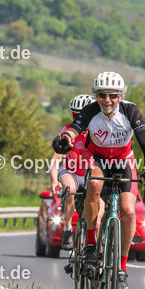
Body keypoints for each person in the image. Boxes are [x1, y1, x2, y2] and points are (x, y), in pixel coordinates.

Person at [53, 71, 145, 289]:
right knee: (95, 185)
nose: (107, 100)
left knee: (128, 212)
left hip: (124, 161)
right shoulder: (90, 110)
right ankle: (90, 242)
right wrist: (66, 139)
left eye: (113, 95)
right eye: (102, 95)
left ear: (121, 95)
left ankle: (122, 269)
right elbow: (74, 129)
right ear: (96, 95)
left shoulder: (131, 111)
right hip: (98, 157)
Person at [49, 93, 96, 252]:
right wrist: (54, 180)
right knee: (69, 190)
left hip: (91, 173)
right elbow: (56, 157)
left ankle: (99, 236)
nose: (79, 120)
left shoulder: (98, 132)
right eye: (75, 116)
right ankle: (68, 230)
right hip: (71, 172)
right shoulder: (68, 131)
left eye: (82, 116)